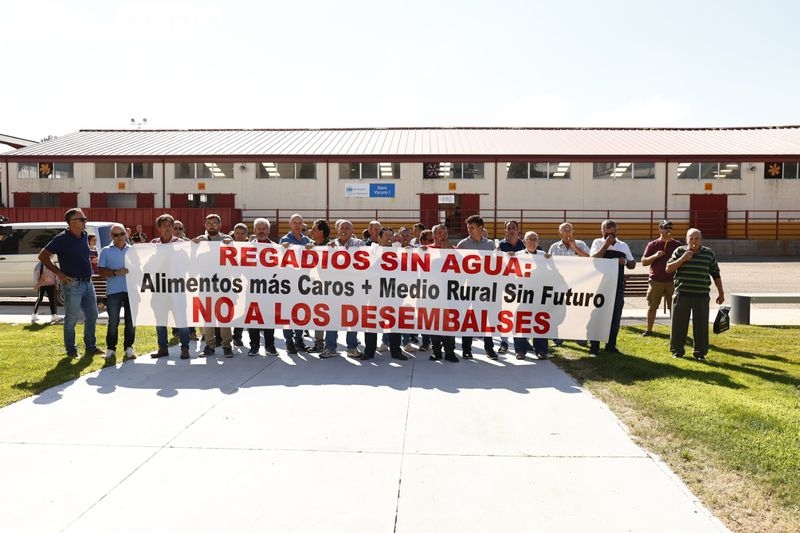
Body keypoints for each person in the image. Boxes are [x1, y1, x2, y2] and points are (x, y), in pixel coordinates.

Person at [37, 208, 102, 358]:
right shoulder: (61, 239)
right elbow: (43, 256)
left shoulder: (84, 235)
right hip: (72, 285)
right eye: (81, 219)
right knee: (71, 319)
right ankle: (71, 351)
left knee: (92, 315)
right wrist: (59, 273)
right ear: (71, 222)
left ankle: (91, 347)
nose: (85, 221)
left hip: (88, 283)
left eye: (85, 219)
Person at [666, 228, 724, 361]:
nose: (693, 241)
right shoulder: (680, 251)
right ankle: (677, 351)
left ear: (701, 239)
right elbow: (668, 268)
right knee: (678, 324)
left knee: (701, 325)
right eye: (690, 238)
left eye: (696, 238)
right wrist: (683, 258)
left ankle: (700, 353)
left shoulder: (709, 253)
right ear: (686, 240)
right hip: (682, 294)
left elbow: (716, 274)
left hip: (701, 295)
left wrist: (721, 293)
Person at [589, 219, 635, 356]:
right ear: (601, 232)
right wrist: (606, 245)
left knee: (615, 318)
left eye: (611, 234)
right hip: (599, 287)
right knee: (597, 317)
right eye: (605, 233)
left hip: (617, 287)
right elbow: (593, 260)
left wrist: (625, 261)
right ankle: (594, 347)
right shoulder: (597, 243)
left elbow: (632, 263)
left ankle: (611, 345)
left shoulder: (623, 245)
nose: (608, 236)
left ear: (616, 232)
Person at [149, 214, 192, 359]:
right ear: (159, 228)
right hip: (159, 289)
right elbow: (147, 264)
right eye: (165, 226)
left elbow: (188, 264)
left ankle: (185, 348)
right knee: (160, 320)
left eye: (170, 226)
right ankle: (163, 348)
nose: (168, 229)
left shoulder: (181, 244)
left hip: (177, 288)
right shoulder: (153, 244)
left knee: (181, 319)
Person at [456, 215, 497, 360]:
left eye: (472, 228)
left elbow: (496, 264)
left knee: (486, 318)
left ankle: (489, 348)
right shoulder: (463, 244)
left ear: (481, 228)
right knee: (469, 318)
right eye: (468, 228)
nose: (469, 230)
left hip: (485, 288)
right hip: (468, 288)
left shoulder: (490, 245)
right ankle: (466, 349)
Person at [194, 213, 235, 357]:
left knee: (224, 316)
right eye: (209, 223)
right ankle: (209, 345)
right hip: (205, 285)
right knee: (208, 317)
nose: (212, 225)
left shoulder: (227, 240)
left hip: (223, 285)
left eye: (215, 223)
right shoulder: (199, 241)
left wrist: (232, 244)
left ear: (220, 225)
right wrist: (193, 246)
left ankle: (226, 345)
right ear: (205, 225)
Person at [547, 222, 590, 346]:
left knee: (578, 311)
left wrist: (574, 247)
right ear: (559, 233)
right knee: (560, 311)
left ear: (573, 232)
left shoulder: (581, 244)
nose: (567, 232)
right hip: (560, 285)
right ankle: (558, 337)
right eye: (564, 230)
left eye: (569, 230)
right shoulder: (554, 247)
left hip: (578, 284)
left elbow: (590, 260)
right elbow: (550, 265)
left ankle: (580, 336)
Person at [98, 223, 136, 360]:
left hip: (131, 291)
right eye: (116, 234)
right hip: (113, 291)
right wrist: (115, 272)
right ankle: (111, 349)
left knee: (130, 322)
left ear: (126, 233)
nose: (119, 237)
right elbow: (101, 271)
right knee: (113, 322)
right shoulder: (105, 251)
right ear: (111, 236)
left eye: (121, 234)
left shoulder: (133, 250)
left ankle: (129, 348)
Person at [422, 228, 458, 362]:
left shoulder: (453, 249)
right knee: (435, 324)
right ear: (434, 235)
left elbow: (462, 264)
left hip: (449, 293)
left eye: (445, 233)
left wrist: (450, 249)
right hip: (432, 293)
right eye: (440, 233)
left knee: (449, 324)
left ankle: (450, 352)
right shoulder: (426, 249)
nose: (443, 235)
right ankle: (436, 352)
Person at [640, 219, 682, 336]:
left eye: (670, 228)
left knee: (674, 308)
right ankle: (649, 330)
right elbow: (643, 262)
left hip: (672, 281)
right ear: (660, 229)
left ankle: (676, 331)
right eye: (665, 227)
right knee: (652, 307)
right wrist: (655, 255)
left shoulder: (677, 245)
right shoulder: (652, 244)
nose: (668, 230)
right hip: (656, 281)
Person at [330, 219, 364, 359]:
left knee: (352, 318)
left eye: (347, 228)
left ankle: (352, 347)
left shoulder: (359, 244)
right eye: (342, 227)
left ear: (352, 231)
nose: (344, 229)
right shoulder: (331, 245)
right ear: (338, 230)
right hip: (335, 288)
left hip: (353, 288)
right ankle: (330, 347)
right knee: (332, 319)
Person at [513, 231, 550, 360]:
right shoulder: (517, 255)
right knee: (521, 322)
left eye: (535, 239)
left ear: (538, 242)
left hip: (539, 295)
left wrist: (551, 261)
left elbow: (552, 273)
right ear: (524, 241)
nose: (532, 242)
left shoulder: (544, 256)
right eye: (529, 239)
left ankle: (541, 350)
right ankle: (520, 350)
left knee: (540, 321)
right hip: (522, 294)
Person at [279, 213, 312, 354]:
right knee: (287, 313)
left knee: (300, 312)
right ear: (290, 224)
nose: (297, 225)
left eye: (300, 223)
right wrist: (282, 248)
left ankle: (299, 340)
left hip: (303, 283)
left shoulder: (307, 241)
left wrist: (313, 249)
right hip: (288, 283)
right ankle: (289, 341)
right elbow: (278, 260)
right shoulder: (285, 240)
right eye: (295, 223)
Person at [248, 218, 278, 356]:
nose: (261, 231)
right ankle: (254, 345)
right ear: (254, 231)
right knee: (252, 318)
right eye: (258, 228)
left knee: (269, 317)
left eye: (264, 228)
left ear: (268, 230)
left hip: (269, 289)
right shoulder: (246, 248)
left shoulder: (276, 248)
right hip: (252, 289)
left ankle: (269, 345)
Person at [497, 220, 525, 354]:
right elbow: (493, 261)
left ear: (518, 230)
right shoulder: (500, 246)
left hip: (523, 285)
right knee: (505, 315)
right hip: (505, 285)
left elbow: (538, 256)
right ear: (505, 231)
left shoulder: (525, 244)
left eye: (513, 227)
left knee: (521, 314)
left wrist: (546, 256)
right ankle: (504, 342)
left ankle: (522, 342)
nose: (511, 230)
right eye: (509, 228)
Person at [230, 222, 250, 347]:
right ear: (233, 233)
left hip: (245, 284)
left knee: (241, 311)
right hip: (229, 282)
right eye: (237, 233)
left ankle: (237, 336)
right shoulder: (226, 245)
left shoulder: (252, 246)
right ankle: (221, 336)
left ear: (246, 235)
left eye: (242, 233)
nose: (240, 236)